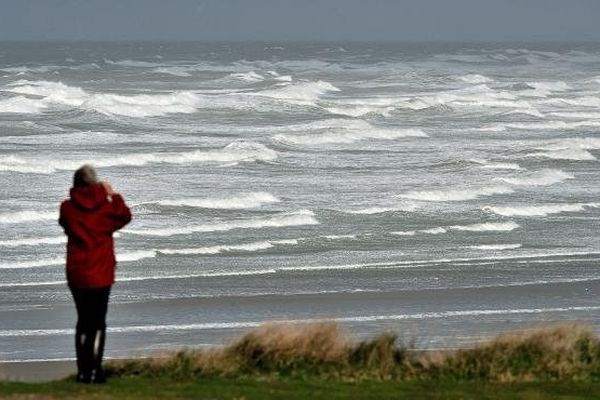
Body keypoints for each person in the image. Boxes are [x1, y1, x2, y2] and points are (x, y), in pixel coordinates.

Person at [58, 165, 132, 384]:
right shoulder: (106, 209)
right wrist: (113, 195)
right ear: (96, 184)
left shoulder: (67, 208)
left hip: (77, 273)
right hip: (100, 273)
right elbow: (125, 216)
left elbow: (65, 224)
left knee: (83, 321)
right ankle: (95, 372)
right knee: (98, 322)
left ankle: (83, 372)